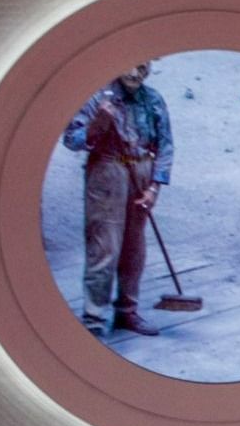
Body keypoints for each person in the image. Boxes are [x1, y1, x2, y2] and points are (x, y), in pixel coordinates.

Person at [61, 61, 175, 337]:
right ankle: (94, 319)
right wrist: (97, 125)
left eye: (142, 66)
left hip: (142, 170)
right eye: (128, 65)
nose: (135, 73)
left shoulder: (153, 99)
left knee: (134, 246)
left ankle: (127, 312)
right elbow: (71, 139)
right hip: (108, 171)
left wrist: (154, 187)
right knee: (104, 245)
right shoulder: (96, 97)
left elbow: (166, 145)